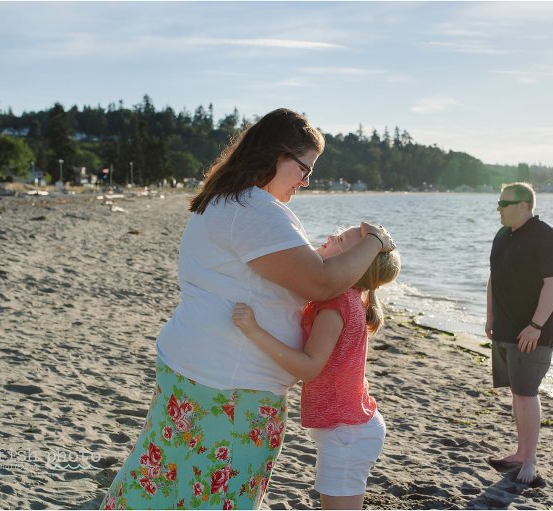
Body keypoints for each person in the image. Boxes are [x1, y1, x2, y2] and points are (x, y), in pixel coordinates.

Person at [99, 108, 395, 510]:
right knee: (213, 493)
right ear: (277, 155)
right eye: (304, 168)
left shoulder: (236, 203)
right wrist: (375, 242)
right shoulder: (250, 210)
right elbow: (321, 281)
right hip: (225, 386)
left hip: (211, 375)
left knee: (170, 482)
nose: (306, 181)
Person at [232, 225, 401, 510]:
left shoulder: (336, 305)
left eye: (342, 240)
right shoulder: (345, 297)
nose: (332, 237)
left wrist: (253, 330)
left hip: (346, 433)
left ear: (355, 264)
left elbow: (309, 368)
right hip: (348, 428)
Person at [484, 182, 553, 484]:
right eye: (498, 203)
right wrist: (490, 314)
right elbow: (494, 277)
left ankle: (529, 461)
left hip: (534, 332)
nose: (499, 209)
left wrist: (535, 326)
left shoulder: (547, 237)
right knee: (517, 392)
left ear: (523, 205)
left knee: (527, 393)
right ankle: (520, 453)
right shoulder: (503, 236)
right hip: (505, 328)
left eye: (503, 204)